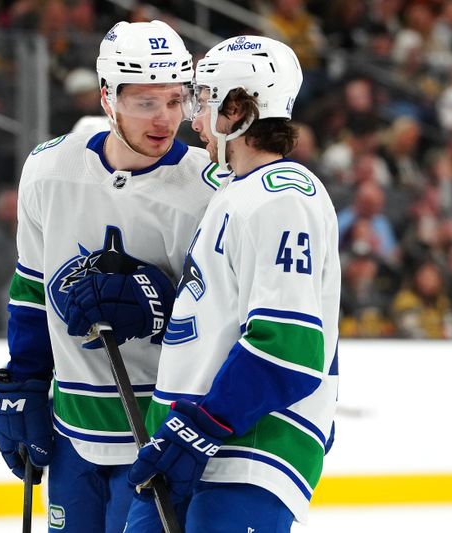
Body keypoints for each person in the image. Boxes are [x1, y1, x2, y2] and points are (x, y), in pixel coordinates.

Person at [0, 20, 215, 532]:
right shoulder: (48, 171)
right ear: (108, 97)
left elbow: (220, 321)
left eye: (176, 101)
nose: (165, 119)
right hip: (74, 435)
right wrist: (25, 378)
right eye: (145, 102)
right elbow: (30, 289)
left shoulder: (208, 188)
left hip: (160, 439)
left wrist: (159, 303)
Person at [123, 35, 341, 532]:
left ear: (239, 109)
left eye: (203, 101)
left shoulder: (285, 198)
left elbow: (290, 348)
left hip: (248, 453)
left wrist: (199, 429)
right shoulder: (232, 193)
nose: (193, 119)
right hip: (194, 448)